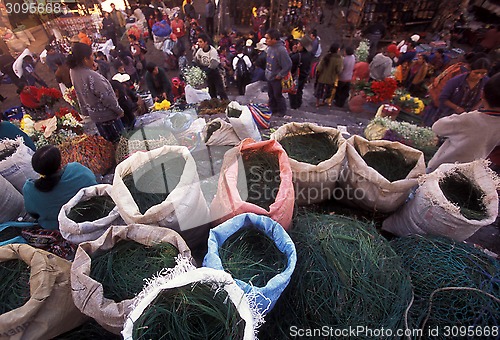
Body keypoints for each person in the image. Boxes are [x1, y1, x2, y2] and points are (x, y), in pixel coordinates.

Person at [427, 73, 500, 172]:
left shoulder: (470, 119)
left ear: (482, 94)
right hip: (467, 175)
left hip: (439, 170)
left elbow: (437, 127)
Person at [23, 145, 97, 230]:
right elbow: (94, 184)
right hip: (92, 215)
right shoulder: (76, 169)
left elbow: (33, 214)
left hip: (60, 229)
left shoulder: (29, 190)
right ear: (60, 163)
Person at [68, 42, 125, 143]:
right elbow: (107, 98)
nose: (93, 58)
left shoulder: (73, 71)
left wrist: (85, 111)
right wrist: (119, 110)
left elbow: (79, 92)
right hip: (109, 117)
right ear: (85, 59)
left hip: (96, 117)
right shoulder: (92, 76)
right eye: (92, 56)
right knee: (121, 143)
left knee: (108, 144)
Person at [422, 58, 490, 127]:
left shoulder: (486, 82)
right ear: (470, 70)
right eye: (476, 73)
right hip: (446, 114)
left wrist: (474, 109)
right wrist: (457, 108)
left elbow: (485, 98)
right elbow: (443, 98)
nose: (479, 76)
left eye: (483, 74)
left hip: (464, 119)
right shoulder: (457, 81)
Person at [264, 28, 292, 117]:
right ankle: (273, 109)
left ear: (274, 39)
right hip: (269, 76)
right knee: (271, 94)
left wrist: (280, 75)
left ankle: (281, 111)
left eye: (268, 38)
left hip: (276, 78)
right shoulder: (270, 47)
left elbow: (288, 64)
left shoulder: (281, 50)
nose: (266, 40)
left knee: (277, 95)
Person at [193, 33, 228, 100]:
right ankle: (214, 103)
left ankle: (225, 103)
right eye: (198, 42)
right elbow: (196, 60)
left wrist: (204, 71)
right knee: (211, 91)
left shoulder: (212, 51)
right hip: (207, 73)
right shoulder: (199, 51)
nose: (199, 43)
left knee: (220, 90)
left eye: (201, 42)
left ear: (206, 42)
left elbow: (213, 65)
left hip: (214, 72)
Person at [314, 43, 343, 108]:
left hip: (322, 78)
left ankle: (317, 102)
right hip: (331, 79)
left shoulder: (325, 56)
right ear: (337, 50)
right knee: (327, 91)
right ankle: (323, 101)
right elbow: (339, 70)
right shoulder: (339, 59)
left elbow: (319, 68)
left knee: (319, 90)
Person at [288, 37, 312, 109]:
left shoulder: (297, 56)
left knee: (293, 92)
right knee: (299, 90)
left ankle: (294, 106)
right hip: (304, 75)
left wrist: (293, 52)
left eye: (298, 44)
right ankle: (299, 103)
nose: (297, 45)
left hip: (296, 76)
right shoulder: (309, 55)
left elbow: (289, 61)